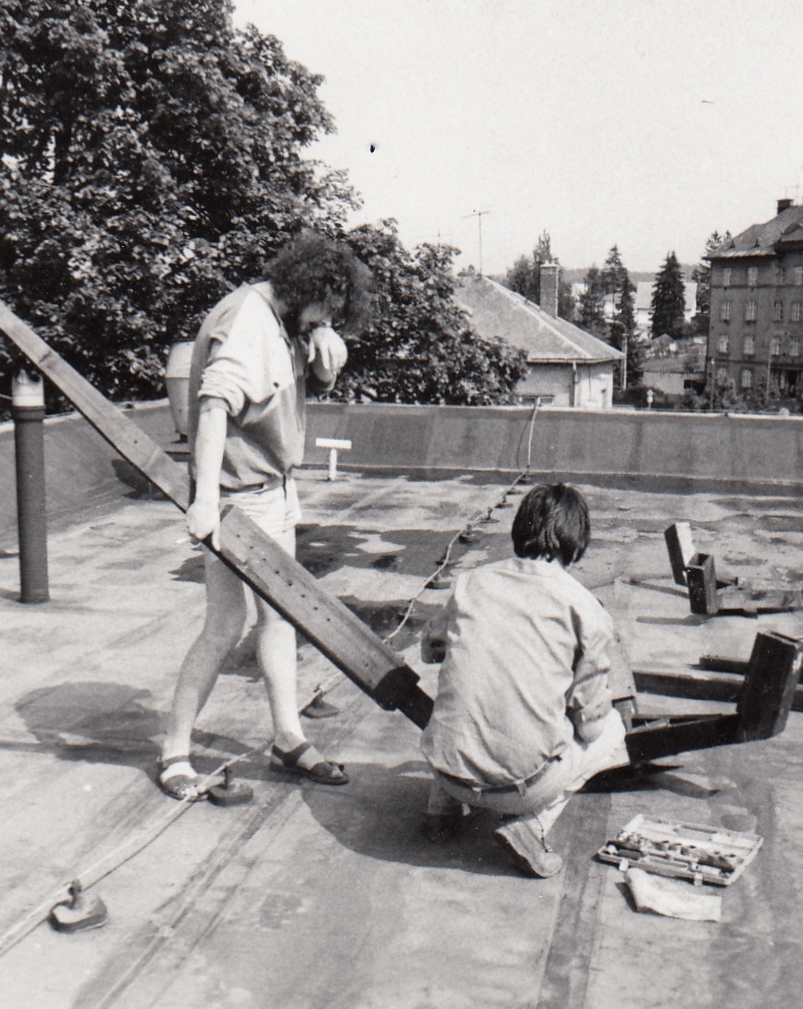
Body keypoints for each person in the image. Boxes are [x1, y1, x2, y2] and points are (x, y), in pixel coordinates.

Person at [158, 230, 373, 800]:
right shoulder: (249, 321)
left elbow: (302, 381)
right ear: (306, 289)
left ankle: (287, 738)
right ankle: (175, 752)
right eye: (326, 309)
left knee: (279, 620)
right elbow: (213, 408)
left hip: (276, 491)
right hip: (239, 500)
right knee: (225, 624)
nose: (328, 319)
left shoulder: (285, 318)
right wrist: (206, 501)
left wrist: (322, 341)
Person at [419, 483, 630, 877]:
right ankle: (531, 826)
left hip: (447, 771)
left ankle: (440, 810)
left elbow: (430, 651)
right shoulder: (586, 607)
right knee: (612, 729)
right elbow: (590, 723)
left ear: (519, 529)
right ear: (577, 542)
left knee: (468, 700)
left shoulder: (472, 583)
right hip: (522, 790)